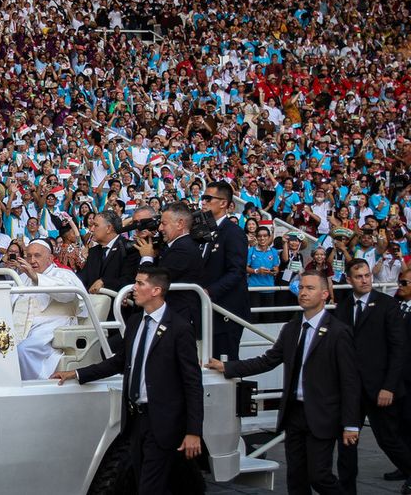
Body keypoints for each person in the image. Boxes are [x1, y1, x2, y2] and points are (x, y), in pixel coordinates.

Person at [52, 267, 203, 494]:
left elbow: (192, 383)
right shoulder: (135, 322)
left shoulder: (179, 329)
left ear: (156, 290)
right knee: (142, 480)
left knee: (149, 487)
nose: (134, 288)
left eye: (140, 283)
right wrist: (77, 373)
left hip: (162, 423)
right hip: (135, 420)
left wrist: (194, 431)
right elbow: (119, 362)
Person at [207, 272, 360, 495]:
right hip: (294, 414)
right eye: (301, 288)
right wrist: (228, 367)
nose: (304, 293)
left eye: (310, 288)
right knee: (296, 478)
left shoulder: (339, 332)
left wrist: (351, 424)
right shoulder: (291, 328)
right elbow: (268, 360)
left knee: (319, 476)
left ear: (325, 294)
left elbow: (350, 381)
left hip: (322, 414)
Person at [333, 259, 411, 494]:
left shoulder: (388, 305)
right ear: (348, 280)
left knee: (389, 440)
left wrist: (389, 387)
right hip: (350, 391)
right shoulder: (343, 307)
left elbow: (399, 349)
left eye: (367, 275)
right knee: (347, 444)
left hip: (380, 389)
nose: (365, 280)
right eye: (359, 276)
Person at [10, 237, 88, 380]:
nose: (32, 260)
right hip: (25, 328)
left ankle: (31, 389)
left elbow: (68, 294)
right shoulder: (22, 277)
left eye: (37, 256)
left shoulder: (63, 274)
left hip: (52, 327)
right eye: (29, 256)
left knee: (23, 350)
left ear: (51, 258)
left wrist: (36, 278)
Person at [200, 181, 250, 360]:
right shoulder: (205, 231)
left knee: (223, 365)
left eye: (208, 198)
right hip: (207, 310)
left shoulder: (233, 232)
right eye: (202, 198)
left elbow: (236, 271)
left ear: (223, 203)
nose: (203, 202)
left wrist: (208, 292)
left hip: (225, 311)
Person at [137, 202, 203, 332]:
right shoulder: (178, 246)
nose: (160, 228)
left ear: (180, 224)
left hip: (180, 318)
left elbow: (156, 279)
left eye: (164, 224)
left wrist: (147, 257)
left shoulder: (183, 249)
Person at [79, 210, 138, 295]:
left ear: (109, 228)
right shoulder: (93, 252)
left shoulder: (128, 249)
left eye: (96, 225)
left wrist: (105, 282)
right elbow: (83, 277)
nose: (91, 229)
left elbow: (129, 280)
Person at [393, 267, 411, 479]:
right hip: (398, 377)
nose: (400, 286)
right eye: (400, 281)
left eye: (405, 283)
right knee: (400, 424)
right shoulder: (395, 307)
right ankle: (404, 466)